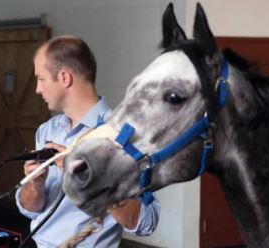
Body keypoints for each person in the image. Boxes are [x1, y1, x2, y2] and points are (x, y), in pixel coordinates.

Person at [15, 35, 160, 247]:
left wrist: (88, 176)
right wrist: (35, 186)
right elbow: (30, 209)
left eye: (41, 79)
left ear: (64, 78)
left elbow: (146, 221)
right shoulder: (47, 131)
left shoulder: (124, 136)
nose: (37, 89)